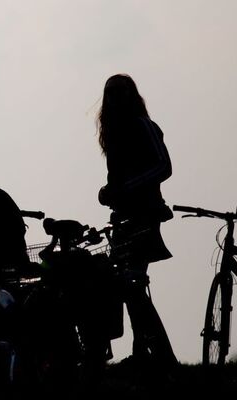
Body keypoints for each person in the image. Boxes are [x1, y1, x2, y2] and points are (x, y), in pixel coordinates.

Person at [94, 74, 177, 371]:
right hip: (124, 218)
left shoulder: (144, 126)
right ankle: (145, 354)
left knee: (132, 284)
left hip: (144, 215)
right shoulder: (114, 133)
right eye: (110, 92)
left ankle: (161, 357)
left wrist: (127, 188)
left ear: (131, 95)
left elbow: (164, 166)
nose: (115, 97)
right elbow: (116, 181)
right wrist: (107, 192)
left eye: (120, 92)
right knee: (129, 286)